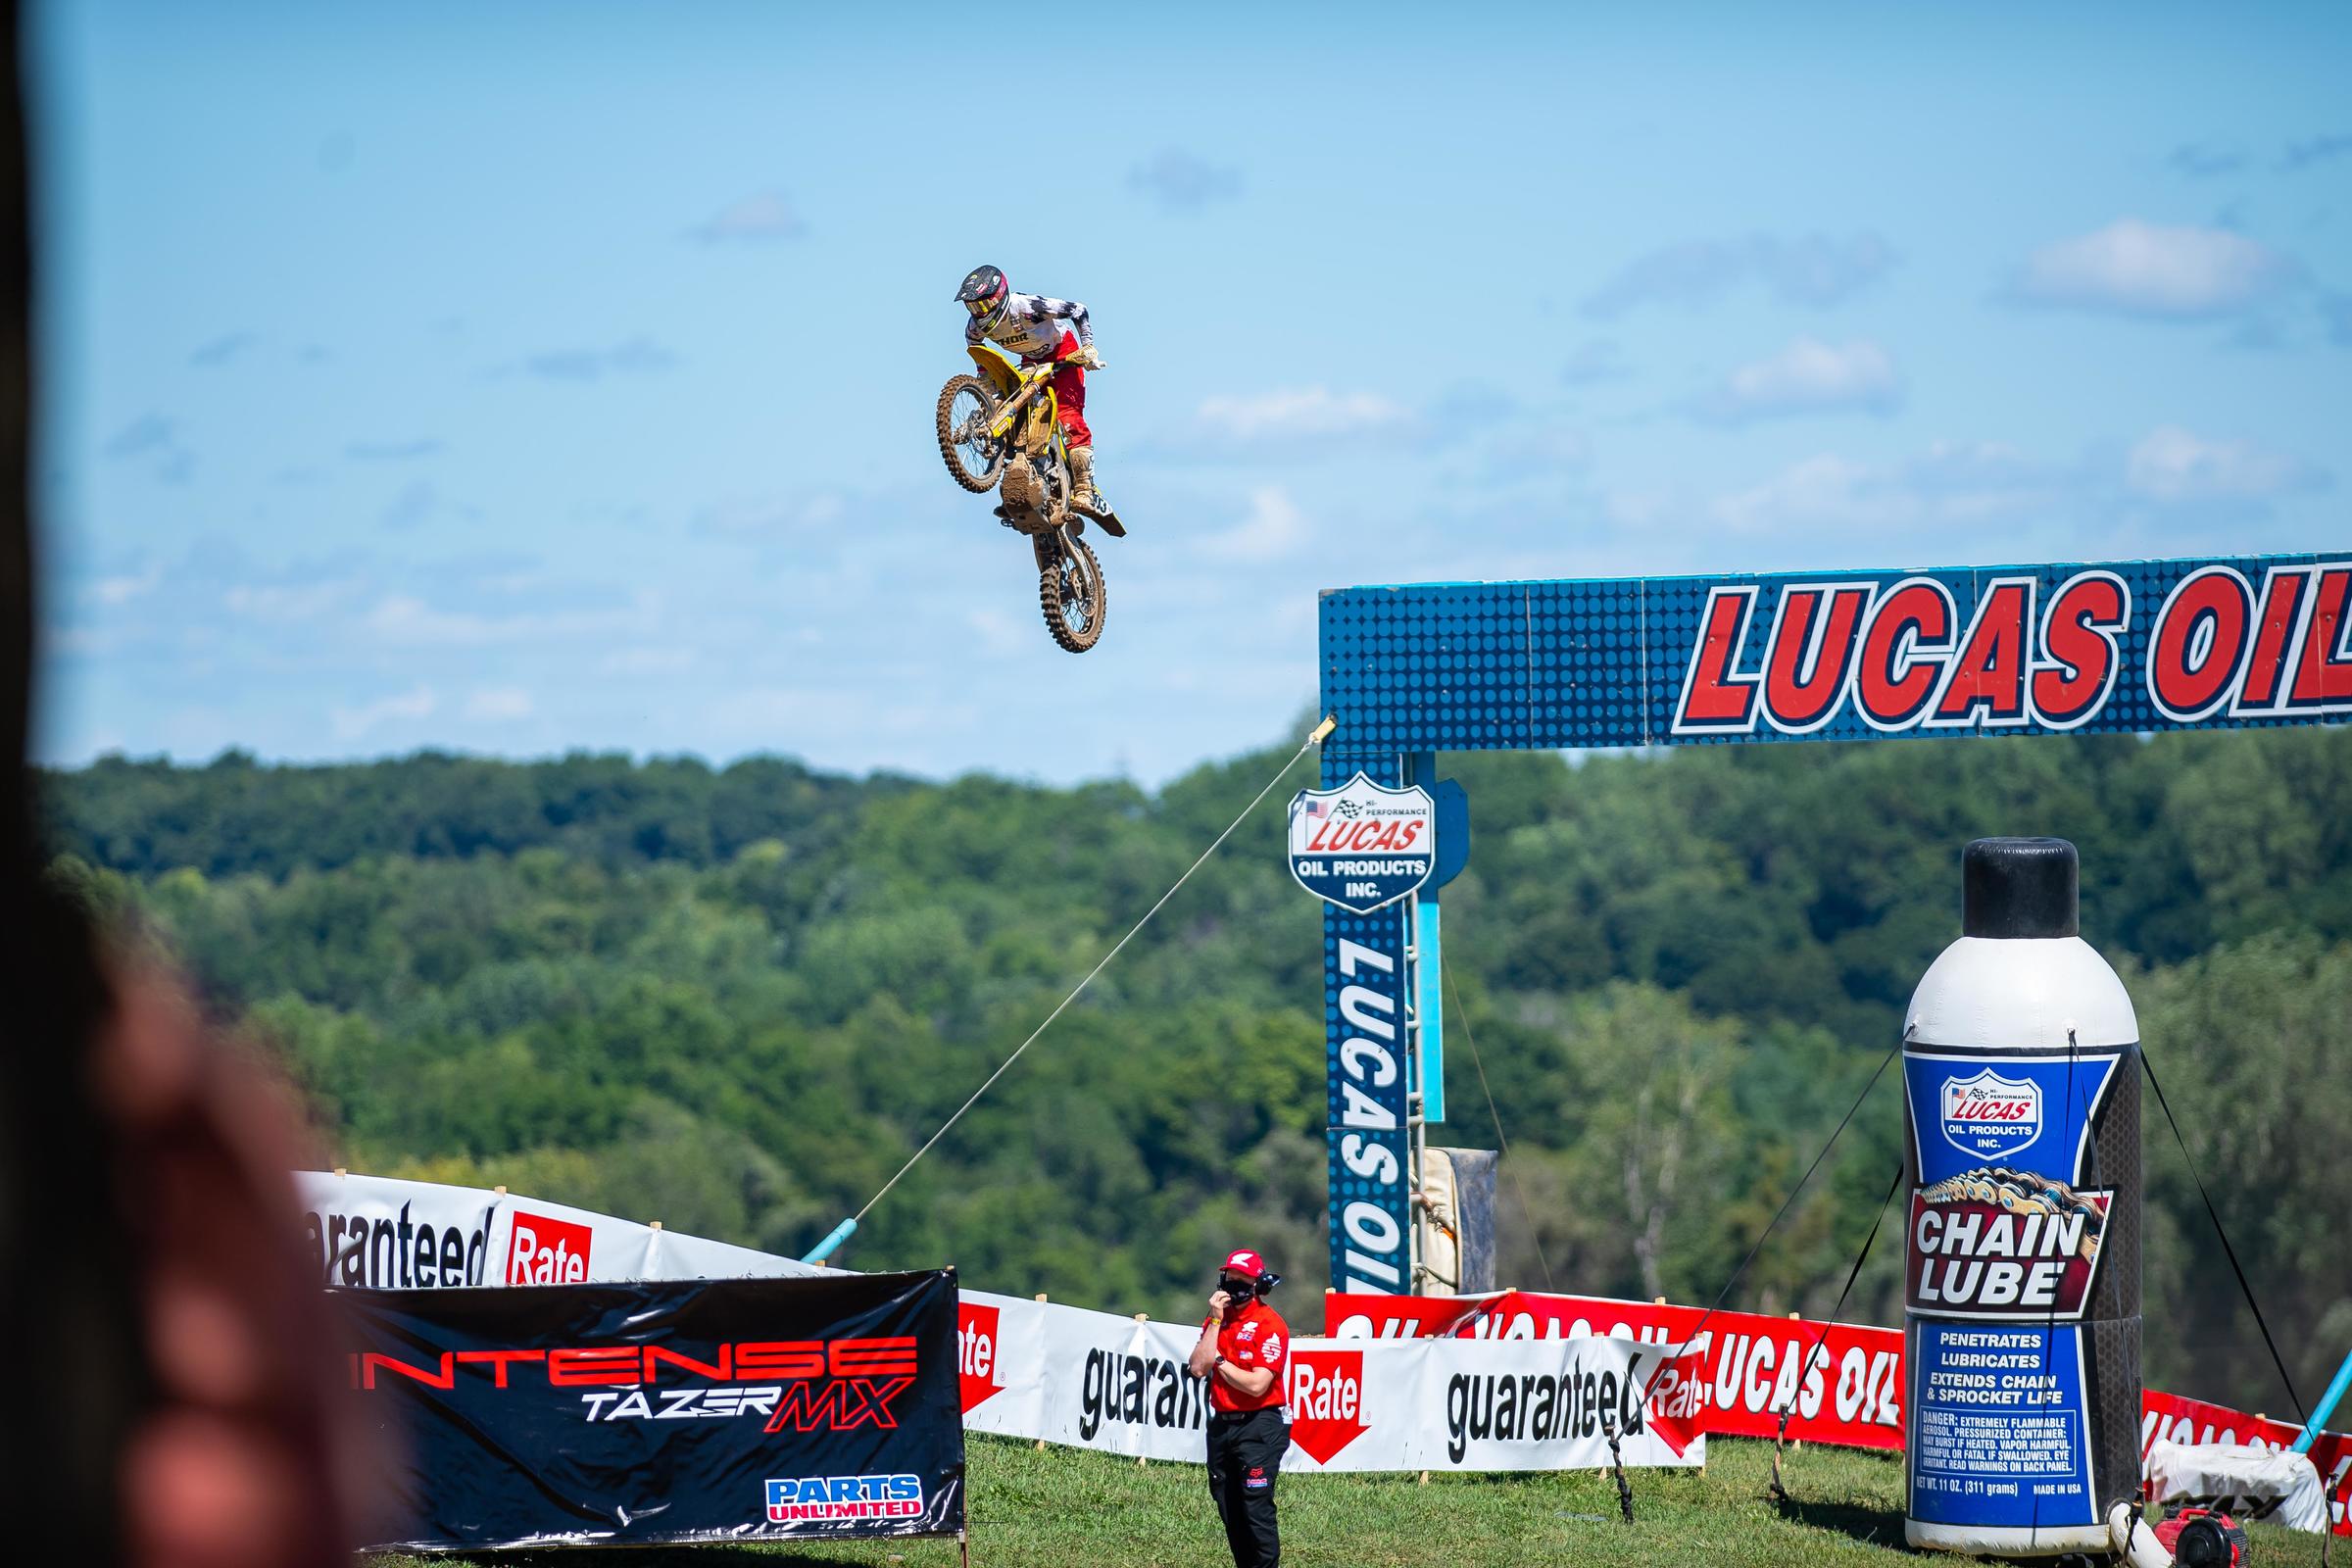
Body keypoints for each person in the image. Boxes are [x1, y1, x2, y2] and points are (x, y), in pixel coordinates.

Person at [953, 263, 1107, 513]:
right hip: (1031, 361)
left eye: (983, 305)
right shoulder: (974, 327)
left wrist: (1088, 347)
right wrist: (985, 382)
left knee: (1069, 416)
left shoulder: (1027, 307)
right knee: (1015, 415)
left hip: (1064, 352)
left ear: (999, 295)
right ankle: (1021, 487)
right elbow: (976, 349)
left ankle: (1085, 489)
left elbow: (1078, 309)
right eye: (973, 307)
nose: (979, 312)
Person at [1187, 1248, 1290, 1568]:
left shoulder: (1270, 1325)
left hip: (1260, 1425)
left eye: (1241, 1280)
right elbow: (1197, 1367)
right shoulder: (1216, 1320)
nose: (1233, 1286)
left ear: (1257, 1285)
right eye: (1229, 1279)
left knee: (1255, 1505)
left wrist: (1219, 1361)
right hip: (1222, 1424)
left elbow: (1257, 1385)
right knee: (1228, 1504)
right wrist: (1216, 1320)